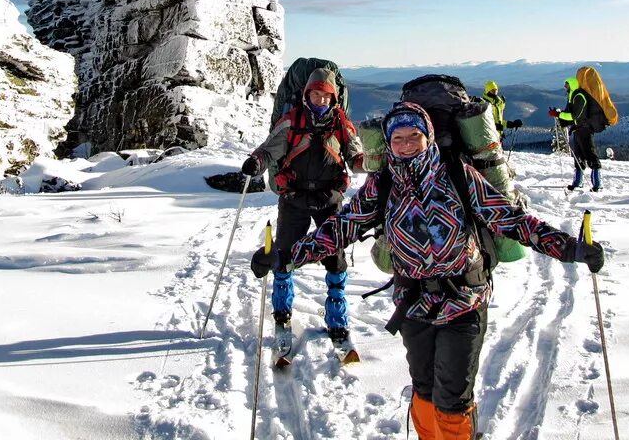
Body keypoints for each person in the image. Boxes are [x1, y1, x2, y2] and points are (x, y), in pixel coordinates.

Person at [254, 102, 603, 440]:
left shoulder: (457, 175)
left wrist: (569, 247)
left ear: (429, 137)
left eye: (413, 136)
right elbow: (343, 226)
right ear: (388, 144)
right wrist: (287, 256)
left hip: (464, 299)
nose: (406, 145)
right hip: (413, 305)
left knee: (452, 399)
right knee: (423, 390)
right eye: (397, 139)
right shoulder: (384, 183)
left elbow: (510, 218)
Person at [244, 68, 364, 340]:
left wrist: (367, 163)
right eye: (316, 94)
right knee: (285, 255)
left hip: (328, 198)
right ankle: (282, 311)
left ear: (334, 99)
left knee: (334, 259)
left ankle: (337, 318)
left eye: (326, 96)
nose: (321, 100)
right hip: (293, 197)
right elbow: (269, 149)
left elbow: (355, 156)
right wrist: (256, 162)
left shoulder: (342, 126)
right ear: (306, 94)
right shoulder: (291, 122)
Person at [548, 77, 603, 192]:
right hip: (577, 130)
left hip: (585, 129)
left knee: (590, 155)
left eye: (566, 84)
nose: (565, 87)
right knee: (578, 157)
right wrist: (558, 115)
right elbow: (568, 116)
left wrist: (559, 115)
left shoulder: (579, 97)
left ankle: (598, 184)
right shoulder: (572, 97)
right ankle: (578, 183)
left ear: (572, 84)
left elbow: (574, 116)